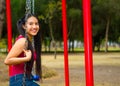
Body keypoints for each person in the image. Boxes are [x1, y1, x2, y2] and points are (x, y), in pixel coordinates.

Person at [4, 13, 42, 86]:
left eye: (36, 24)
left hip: (25, 78)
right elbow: (7, 60)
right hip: (18, 80)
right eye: (31, 24)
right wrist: (26, 58)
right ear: (24, 26)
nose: (34, 26)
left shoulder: (29, 41)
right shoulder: (23, 41)